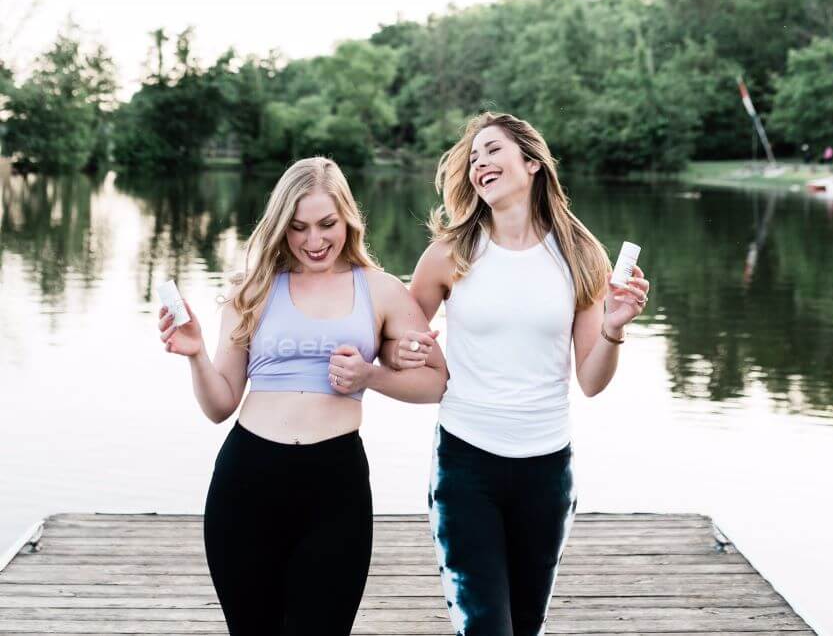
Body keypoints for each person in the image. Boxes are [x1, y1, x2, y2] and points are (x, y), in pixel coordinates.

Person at [380, 112, 650, 636]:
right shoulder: (448, 255)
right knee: (485, 628)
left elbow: (591, 381)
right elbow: (396, 341)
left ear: (531, 163)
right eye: (473, 157)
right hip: (465, 464)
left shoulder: (580, 254)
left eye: (492, 150)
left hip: (547, 470)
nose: (480, 162)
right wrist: (402, 352)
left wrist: (615, 327)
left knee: (526, 626)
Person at [156, 157, 448, 635]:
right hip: (247, 482)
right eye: (298, 228)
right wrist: (196, 355)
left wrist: (368, 377)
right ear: (280, 228)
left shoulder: (381, 289)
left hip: (335, 487)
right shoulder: (253, 290)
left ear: (348, 219)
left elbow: (437, 381)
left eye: (327, 224)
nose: (314, 241)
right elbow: (219, 406)